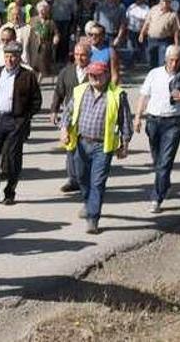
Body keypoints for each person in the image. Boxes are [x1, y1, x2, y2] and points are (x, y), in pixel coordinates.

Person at [59, 62, 133, 234]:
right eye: (91, 74)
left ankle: (93, 218)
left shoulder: (117, 94)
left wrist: (125, 144)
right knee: (82, 178)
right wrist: (64, 130)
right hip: (81, 142)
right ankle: (87, 202)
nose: (94, 77)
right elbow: (68, 112)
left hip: (102, 146)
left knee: (98, 182)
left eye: (98, 74)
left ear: (106, 74)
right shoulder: (81, 91)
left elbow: (125, 121)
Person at [134, 46, 180, 214]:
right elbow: (143, 95)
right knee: (157, 161)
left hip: (174, 121)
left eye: (178, 60)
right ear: (166, 59)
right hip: (153, 120)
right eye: (171, 60)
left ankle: (156, 198)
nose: (174, 63)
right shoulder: (154, 74)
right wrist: (137, 118)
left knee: (165, 162)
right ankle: (165, 183)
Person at [0, 41, 41, 205]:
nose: (10, 59)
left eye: (13, 56)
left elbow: (36, 101)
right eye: (7, 56)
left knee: (12, 158)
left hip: (15, 121)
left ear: (19, 57)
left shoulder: (27, 76)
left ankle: (10, 191)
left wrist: (24, 118)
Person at [50, 43, 91, 193]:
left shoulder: (95, 71)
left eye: (83, 54)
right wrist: (54, 110)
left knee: (87, 150)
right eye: (77, 54)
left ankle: (86, 180)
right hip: (71, 118)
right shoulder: (66, 72)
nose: (79, 57)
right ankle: (73, 180)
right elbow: (59, 92)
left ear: (89, 56)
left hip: (90, 117)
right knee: (71, 149)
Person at [140, 0, 180, 68]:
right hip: (151, 40)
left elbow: (176, 31)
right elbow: (147, 22)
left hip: (164, 41)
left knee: (162, 62)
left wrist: (176, 44)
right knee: (151, 61)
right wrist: (142, 33)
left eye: (168, 1)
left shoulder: (173, 14)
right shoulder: (153, 9)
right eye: (164, 1)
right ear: (160, 1)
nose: (165, 3)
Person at [31, 1, 58, 77]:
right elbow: (28, 31)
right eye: (41, 10)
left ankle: (41, 78)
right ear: (38, 10)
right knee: (33, 65)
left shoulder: (50, 22)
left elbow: (56, 33)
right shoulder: (33, 20)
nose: (43, 11)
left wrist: (56, 39)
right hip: (34, 46)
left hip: (45, 47)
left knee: (44, 67)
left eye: (45, 10)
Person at [125, 0, 150, 67]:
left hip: (142, 31)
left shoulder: (146, 8)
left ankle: (142, 64)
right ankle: (130, 64)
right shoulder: (131, 7)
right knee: (131, 48)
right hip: (131, 31)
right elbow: (127, 19)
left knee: (142, 48)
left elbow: (147, 21)